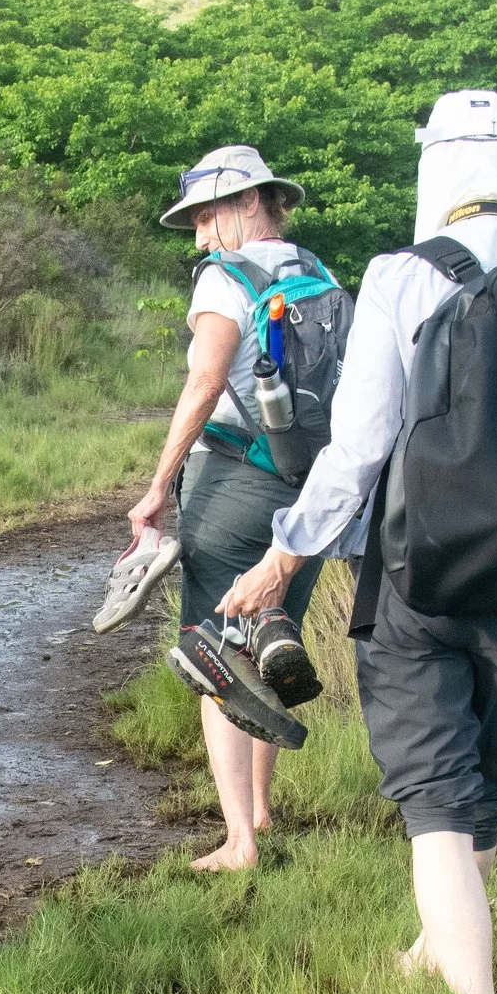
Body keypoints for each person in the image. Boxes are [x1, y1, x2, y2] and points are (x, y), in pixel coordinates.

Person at [220, 90, 497, 994]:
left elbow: (359, 448)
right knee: (485, 776)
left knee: (434, 802)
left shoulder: (403, 275)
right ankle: (433, 946)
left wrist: (285, 554)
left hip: (421, 570)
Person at [126, 146, 329, 872]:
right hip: (308, 491)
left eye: (207, 218)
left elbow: (207, 380)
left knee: (214, 656)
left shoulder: (225, 279)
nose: (201, 238)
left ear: (248, 203)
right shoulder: (319, 273)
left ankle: (239, 838)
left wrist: (157, 486)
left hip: (234, 482)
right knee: (271, 641)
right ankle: (264, 813)